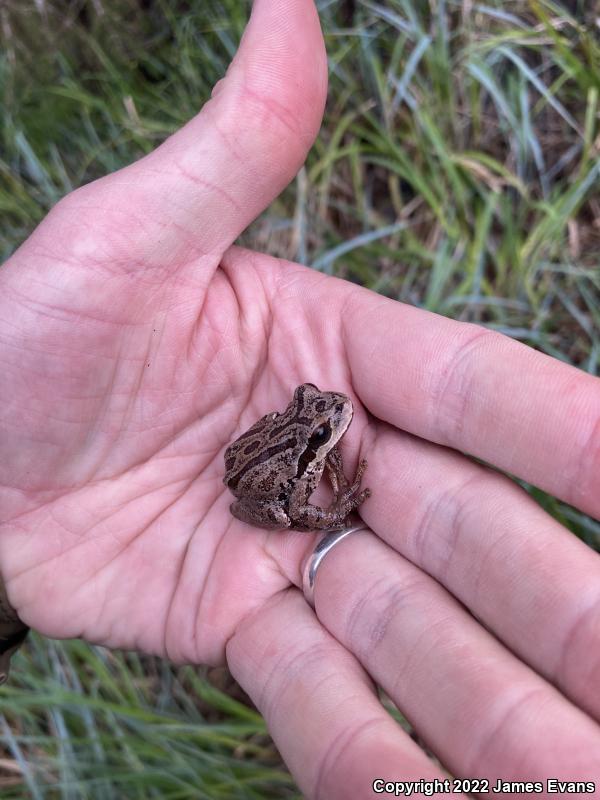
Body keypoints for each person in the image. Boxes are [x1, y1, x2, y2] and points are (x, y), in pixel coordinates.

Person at [1, 0, 599, 795]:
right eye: (324, 419)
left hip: (247, 457)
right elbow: (303, 506)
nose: (335, 416)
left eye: (323, 413)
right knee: (288, 513)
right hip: (259, 490)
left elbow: (290, 432)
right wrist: (341, 499)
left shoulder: (305, 425)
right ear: (313, 438)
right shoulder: (300, 468)